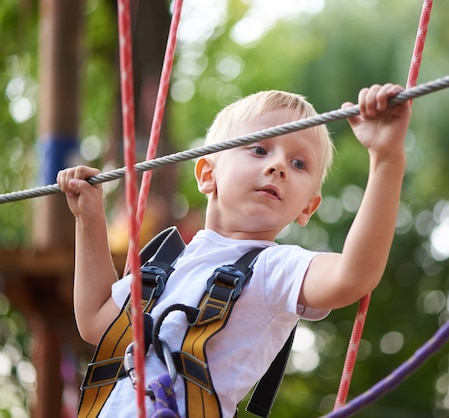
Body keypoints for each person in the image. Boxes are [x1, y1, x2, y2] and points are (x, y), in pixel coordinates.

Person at [57, 82, 412, 417]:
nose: (277, 167)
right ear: (207, 174)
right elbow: (97, 322)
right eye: (259, 149)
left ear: (308, 207)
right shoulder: (165, 265)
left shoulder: (275, 267)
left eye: (298, 163)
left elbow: (354, 275)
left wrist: (386, 160)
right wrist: (89, 218)